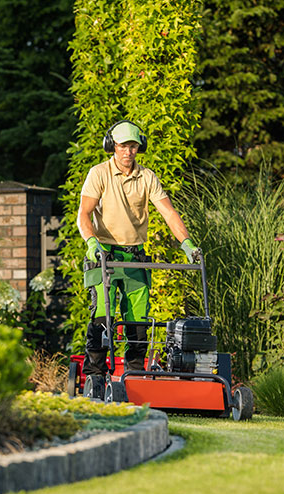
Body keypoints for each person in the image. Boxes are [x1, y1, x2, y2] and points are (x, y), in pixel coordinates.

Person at [77, 120, 201, 379]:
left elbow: (168, 212)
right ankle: (95, 377)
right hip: (104, 256)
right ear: (113, 146)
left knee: (137, 324)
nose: (127, 152)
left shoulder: (147, 177)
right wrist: (91, 242)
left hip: (135, 257)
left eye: (133, 146)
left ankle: (133, 377)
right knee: (103, 317)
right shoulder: (98, 173)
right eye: (123, 146)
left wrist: (186, 243)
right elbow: (84, 214)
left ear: (139, 147)